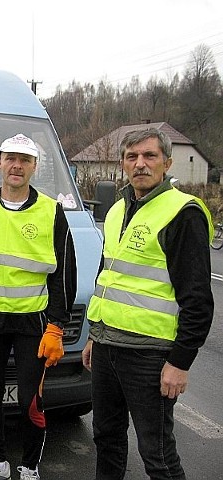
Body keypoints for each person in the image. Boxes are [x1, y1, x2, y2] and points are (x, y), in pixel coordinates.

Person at [83, 128, 214, 480]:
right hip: (108, 346)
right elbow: (108, 279)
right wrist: (95, 335)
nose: (140, 164)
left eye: (149, 156)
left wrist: (179, 362)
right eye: (132, 157)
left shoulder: (182, 213)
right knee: (106, 439)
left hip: (150, 355)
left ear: (167, 163)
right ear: (123, 164)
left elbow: (198, 300)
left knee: (156, 454)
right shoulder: (117, 210)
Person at [0, 133, 77, 480]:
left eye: (24, 160)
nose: (16, 166)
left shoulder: (52, 211)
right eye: (10, 158)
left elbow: (65, 272)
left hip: (33, 324)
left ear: (35, 166)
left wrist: (56, 326)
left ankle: (30, 466)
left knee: (29, 401)